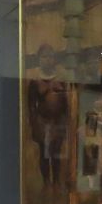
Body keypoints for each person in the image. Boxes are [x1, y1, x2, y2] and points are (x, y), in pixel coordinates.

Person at [27, 44, 68, 187]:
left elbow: (66, 105)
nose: (47, 59)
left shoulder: (61, 80)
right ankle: (46, 182)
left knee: (56, 153)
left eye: (50, 56)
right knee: (44, 153)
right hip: (42, 123)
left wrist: (65, 123)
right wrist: (35, 125)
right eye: (44, 56)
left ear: (54, 59)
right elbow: (31, 106)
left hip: (58, 122)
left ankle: (56, 181)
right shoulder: (35, 82)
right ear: (39, 59)